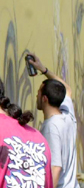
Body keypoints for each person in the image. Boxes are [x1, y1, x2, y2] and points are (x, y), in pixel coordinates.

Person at [27, 53, 80, 188]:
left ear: (45, 98)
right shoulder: (68, 115)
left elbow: (55, 168)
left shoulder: (51, 127)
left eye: (39, 93)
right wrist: (43, 69)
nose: (36, 96)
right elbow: (67, 89)